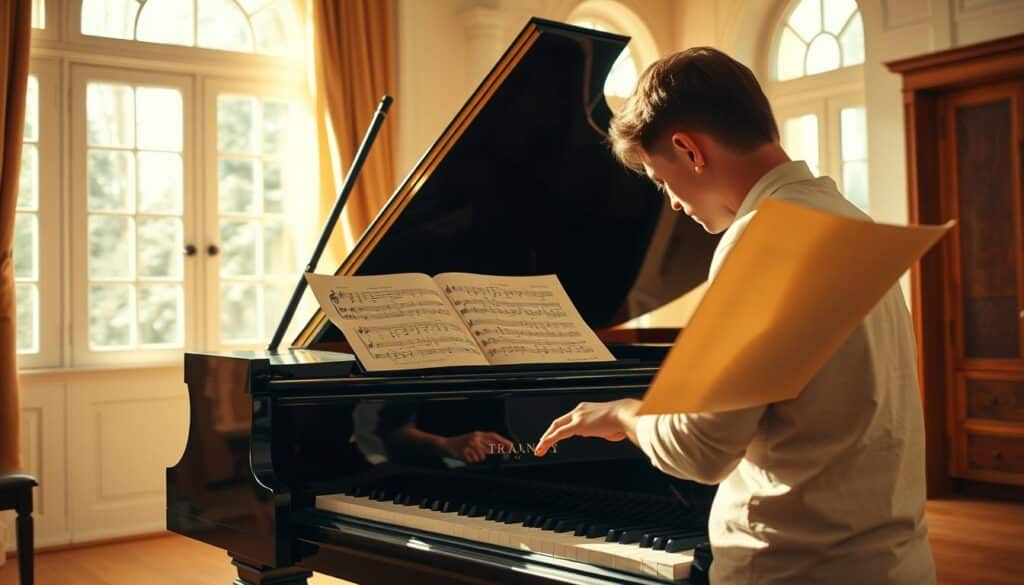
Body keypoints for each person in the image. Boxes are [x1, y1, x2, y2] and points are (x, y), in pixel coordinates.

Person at [534, 47, 936, 585]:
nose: (672, 204)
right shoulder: (847, 218)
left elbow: (700, 452)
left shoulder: (763, 238)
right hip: (894, 561)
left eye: (659, 179)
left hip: (794, 568)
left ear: (688, 149)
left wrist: (625, 415)